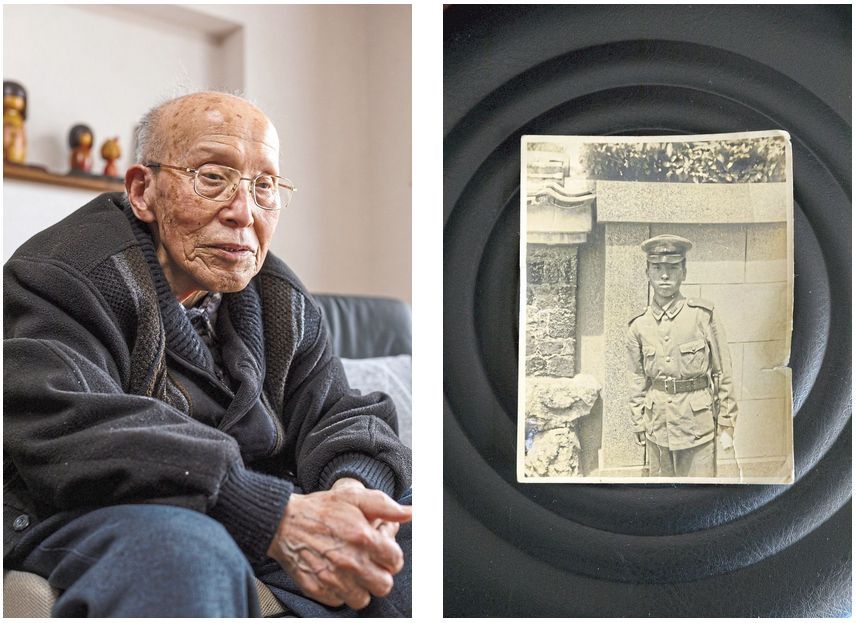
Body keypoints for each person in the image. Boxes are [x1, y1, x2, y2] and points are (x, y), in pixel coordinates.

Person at [3, 91, 412, 617]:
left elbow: (338, 412)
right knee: (186, 552)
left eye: (264, 186)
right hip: (85, 511)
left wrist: (351, 492)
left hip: (242, 507)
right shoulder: (60, 272)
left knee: (401, 541)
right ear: (142, 191)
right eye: (212, 177)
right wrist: (269, 512)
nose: (244, 213)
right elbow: (70, 430)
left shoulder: (278, 293)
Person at [625, 234, 738, 478]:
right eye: (657, 268)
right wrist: (638, 421)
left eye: (673, 267)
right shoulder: (639, 326)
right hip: (658, 429)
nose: (664, 275)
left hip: (697, 428)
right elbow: (637, 378)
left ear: (684, 272)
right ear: (647, 273)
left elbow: (722, 373)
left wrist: (727, 423)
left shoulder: (702, 316)